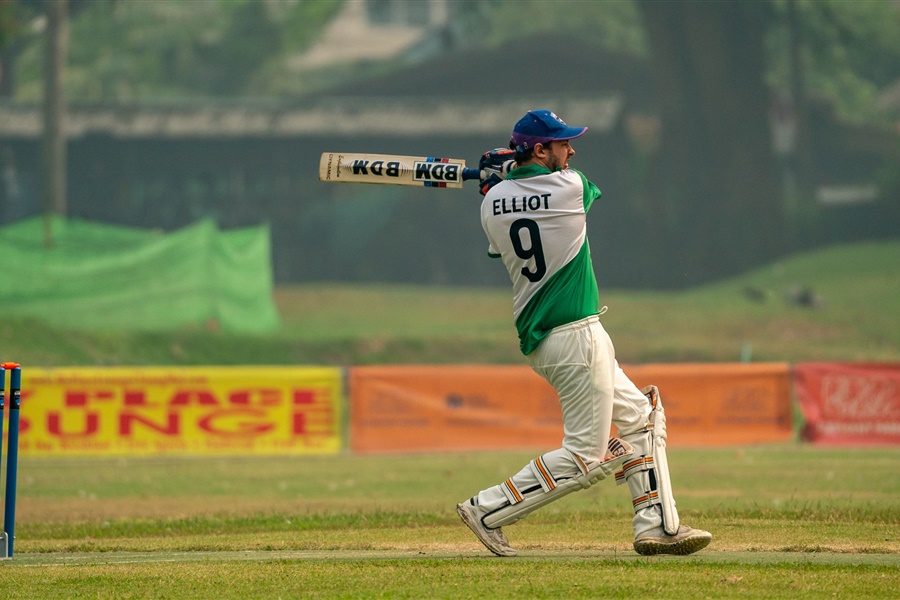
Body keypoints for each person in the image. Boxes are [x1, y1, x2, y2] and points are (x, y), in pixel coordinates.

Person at [455, 109, 712, 557]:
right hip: (576, 335)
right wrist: (514, 175)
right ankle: (486, 509)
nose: (571, 152)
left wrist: (505, 181)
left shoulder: (489, 203)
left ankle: (656, 526)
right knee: (585, 460)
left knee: (641, 417)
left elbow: (501, 244)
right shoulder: (570, 187)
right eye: (563, 145)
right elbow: (588, 189)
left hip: (549, 338)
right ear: (540, 149)